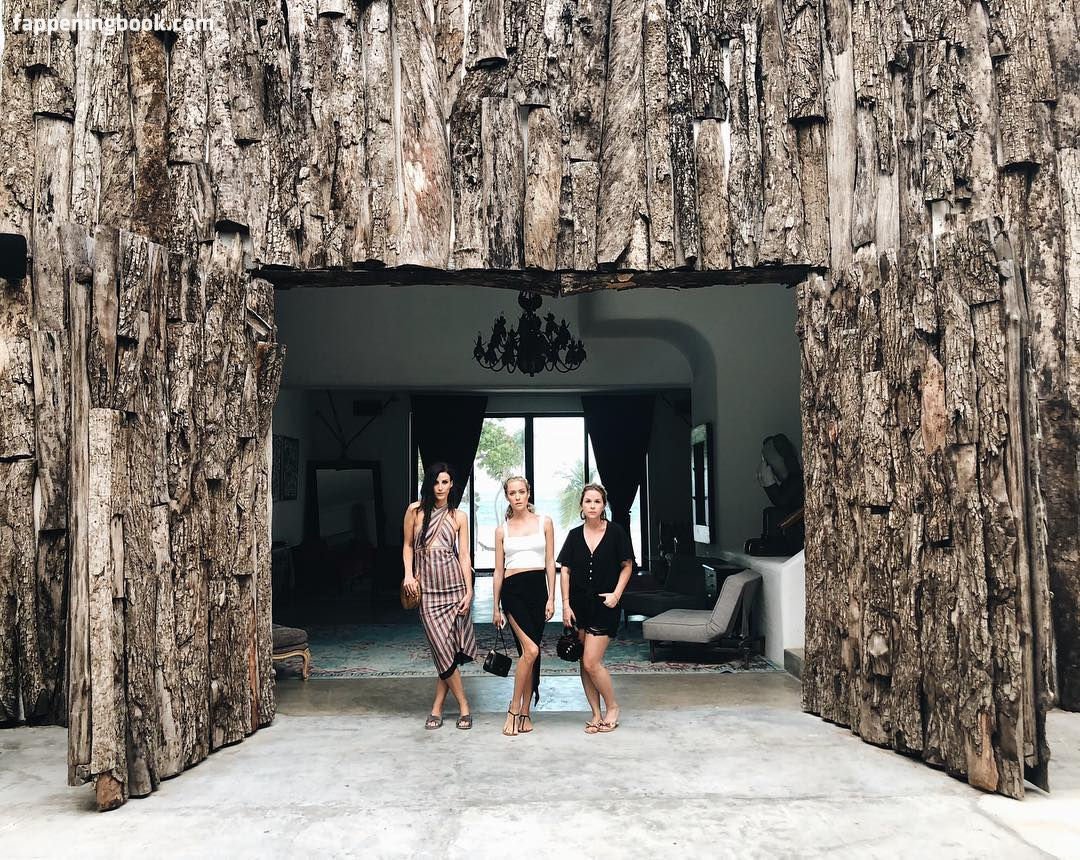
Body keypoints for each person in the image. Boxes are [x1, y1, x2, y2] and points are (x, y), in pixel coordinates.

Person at [402, 463, 478, 730]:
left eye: (445, 482)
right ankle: (464, 705)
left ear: (452, 484)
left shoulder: (459, 516)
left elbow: (464, 556)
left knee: (448, 652)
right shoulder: (415, 511)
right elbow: (407, 545)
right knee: (440, 647)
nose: (440, 487)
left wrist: (469, 591)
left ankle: (436, 708)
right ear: (429, 484)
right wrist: (408, 575)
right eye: (436, 482)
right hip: (427, 592)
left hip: (454, 588)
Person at [557, 483, 634, 734]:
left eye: (597, 501)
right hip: (578, 606)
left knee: (591, 661)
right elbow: (565, 570)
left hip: (605, 604)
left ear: (603, 505)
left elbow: (627, 566)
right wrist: (565, 605)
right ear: (582, 505)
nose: (592, 506)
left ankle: (613, 707)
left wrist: (616, 595)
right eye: (588, 501)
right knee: (584, 661)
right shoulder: (574, 535)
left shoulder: (616, 532)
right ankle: (596, 714)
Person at [492, 476, 556, 736]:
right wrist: (495, 607)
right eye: (512, 493)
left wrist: (552, 597)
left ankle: (526, 711)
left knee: (530, 656)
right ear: (507, 496)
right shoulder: (502, 530)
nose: (517, 497)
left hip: (538, 591)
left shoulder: (545, 522)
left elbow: (550, 561)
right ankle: (513, 709)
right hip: (513, 592)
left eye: (521, 492)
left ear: (529, 493)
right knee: (530, 650)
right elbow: (498, 571)